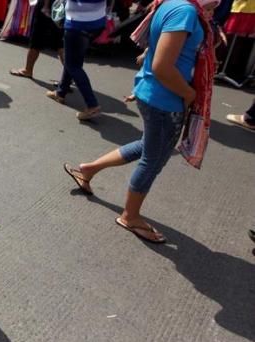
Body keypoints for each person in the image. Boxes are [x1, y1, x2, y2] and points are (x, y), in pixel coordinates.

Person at [63, 0, 219, 244]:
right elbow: (162, 66)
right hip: (165, 99)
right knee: (153, 160)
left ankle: (88, 169)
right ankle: (130, 216)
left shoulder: (174, 5)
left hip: (155, 93)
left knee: (147, 146)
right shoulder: (186, 11)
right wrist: (189, 95)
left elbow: (156, 54)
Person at [46, 0, 110, 120]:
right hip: (97, 22)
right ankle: (61, 93)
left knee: (73, 65)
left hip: (79, 24)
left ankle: (92, 105)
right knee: (73, 59)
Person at [9, 0, 65, 79]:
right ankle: (70, 74)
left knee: (36, 39)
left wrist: (45, 6)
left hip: (48, 7)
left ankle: (28, 70)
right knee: (59, 42)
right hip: (59, 5)